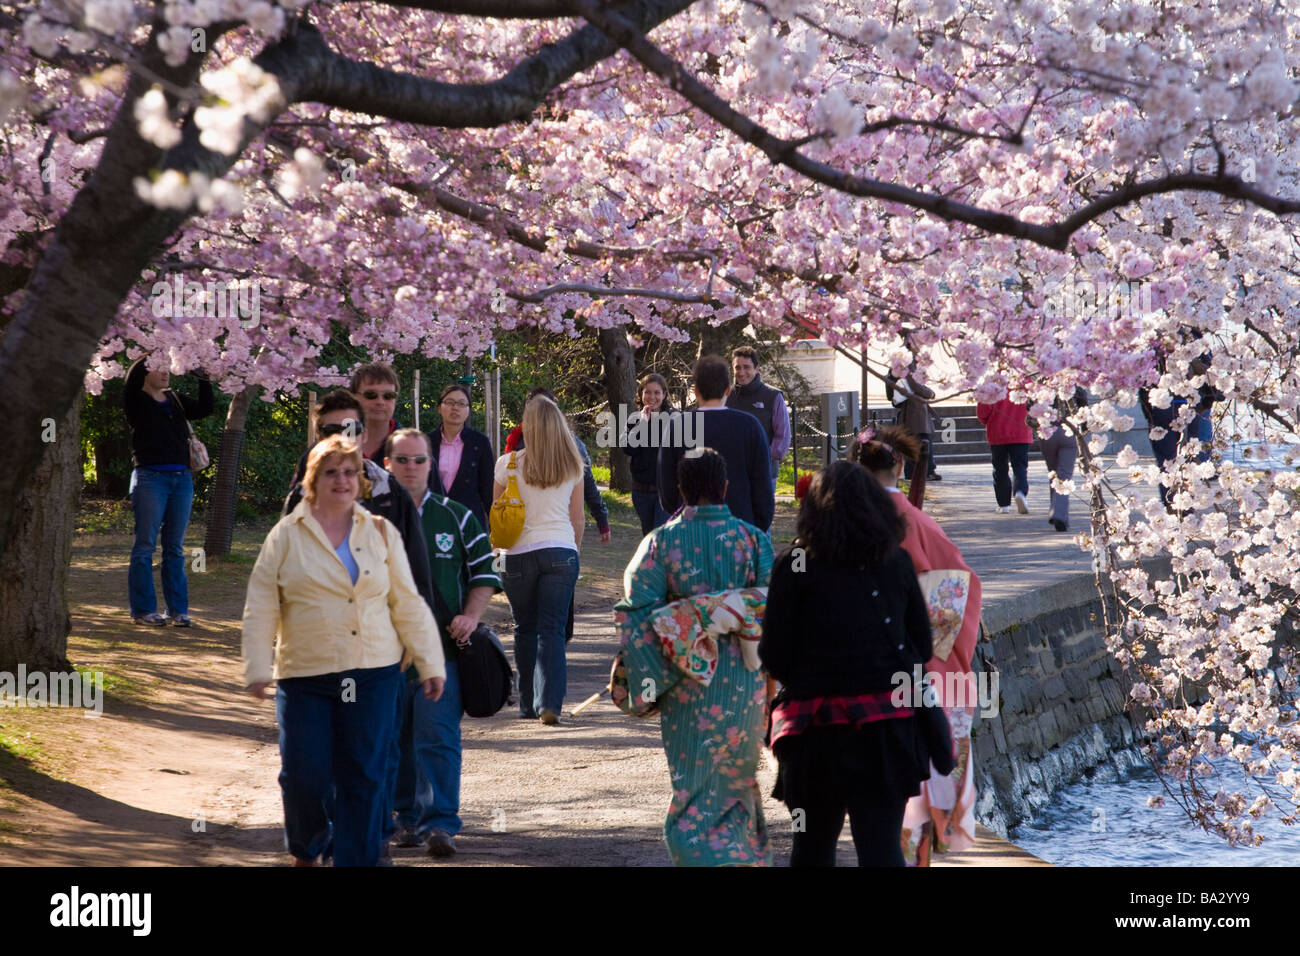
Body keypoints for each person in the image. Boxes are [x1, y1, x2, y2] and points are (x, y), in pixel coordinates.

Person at [241, 435, 446, 867]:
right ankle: (307, 846)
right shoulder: (286, 536)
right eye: (331, 472)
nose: (342, 480)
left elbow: (406, 600)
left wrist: (429, 661)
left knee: (364, 776)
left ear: (362, 481)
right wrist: (258, 667)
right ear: (312, 481)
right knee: (304, 776)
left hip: (371, 673)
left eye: (351, 472)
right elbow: (262, 604)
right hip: (305, 676)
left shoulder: (380, 532)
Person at [759, 461, 934, 867]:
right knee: (882, 849)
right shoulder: (895, 561)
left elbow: (774, 657)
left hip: (812, 733)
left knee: (811, 848)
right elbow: (921, 647)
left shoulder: (794, 564)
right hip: (885, 731)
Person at [612, 448, 773, 865]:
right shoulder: (753, 540)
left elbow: (636, 614)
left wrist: (684, 623)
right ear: (724, 488)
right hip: (744, 681)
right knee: (739, 779)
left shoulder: (659, 543)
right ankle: (743, 858)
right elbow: (780, 609)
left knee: (693, 780)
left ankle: (699, 854)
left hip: (687, 681)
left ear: (679, 490)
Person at [849, 426, 983, 867]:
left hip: (847, 675)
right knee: (914, 790)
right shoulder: (922, 526)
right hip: (914, 672)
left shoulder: (838, 522)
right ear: (900, 467)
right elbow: (962, 591)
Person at [384, 428, 502, 859]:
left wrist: (470, 616)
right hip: (384, 656)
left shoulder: (457, 516)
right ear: (387, 465)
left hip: (443, 653)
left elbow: (486, 574)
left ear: (431, 465)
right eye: (402, 460)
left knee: (436, 737)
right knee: (392, 739)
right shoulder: (369, 521)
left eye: (419, 460)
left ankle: (440, 825)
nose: (411, 468)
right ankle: (404, 819)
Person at [284, 390, 434, 610]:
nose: (342, 437)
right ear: (319, 438)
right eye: (331, 430)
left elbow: (415, 570)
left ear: (364, 435)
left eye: (351, 429)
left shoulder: (391, 493)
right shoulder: (301, 497)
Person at [493, 396, 584, 724]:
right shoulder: (573, 465)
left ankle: (527, 703)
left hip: (517, 555)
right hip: (560, 550)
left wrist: (497, 559)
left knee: (525, 628)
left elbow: (498, 516)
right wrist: (574, 552)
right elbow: (578, 520)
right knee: (552, 630)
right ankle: (550, 703)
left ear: (527, 426)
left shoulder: (507, 464)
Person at [122, 355, 214, 626]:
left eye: (168, 367)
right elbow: (131, 379)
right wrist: (154, 350)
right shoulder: (135, 400)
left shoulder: (175, 399)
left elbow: (206, 408)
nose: (166, 373)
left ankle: (178, 611)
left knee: (174, 548)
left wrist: (203, 377)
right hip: (150, 478)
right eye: (159, 368)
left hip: (181, 479)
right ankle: (143, 610)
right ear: (144, 373)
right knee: (145, 546)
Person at [660, 356, 774, 531]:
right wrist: (757, 526)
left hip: (689, 525)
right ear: (728, 390)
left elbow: (667, 483)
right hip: (740, 525)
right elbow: (762, 485)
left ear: (696, 391)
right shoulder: (750, 426)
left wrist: (676, 510)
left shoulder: (678, 425)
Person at [505, 387, 611, 544]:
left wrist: (602, 520)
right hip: (524, 529)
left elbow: (588, 487)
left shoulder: (573, 445)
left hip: (559, 527)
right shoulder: (516, 443)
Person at [426, 383, 496, 530]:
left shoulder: (480, 443)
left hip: (469, 521)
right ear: (439, 408)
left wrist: (494, 526)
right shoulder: (426, 442)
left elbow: (488, 489)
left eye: (462, 404)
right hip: (433, 519)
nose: (455, 407)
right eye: (449, 402)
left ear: (468, 410)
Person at [726, 346, 791, 490]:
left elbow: (783, 435)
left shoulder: (773, 396)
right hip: (732, 472)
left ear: (757, 368)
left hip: (765, 471)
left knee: (762, 512)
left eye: (746, 367)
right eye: (737, 367)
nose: (741, 372)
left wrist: (765, 456)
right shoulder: (727, 396)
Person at [621, 372, 673, 535]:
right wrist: (643, 423)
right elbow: (629, 449)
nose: (652, 397)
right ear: (641, 394)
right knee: (648, 537)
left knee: (659, 537)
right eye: (647, 392)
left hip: (666, 491)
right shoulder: (634, 420)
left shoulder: (674, 419)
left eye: (657, 392)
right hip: (641, 491)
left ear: (664, 395)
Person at [1039, 388, 1087, 533]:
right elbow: (1083, 411)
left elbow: (1031, 407)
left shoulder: (1043, 385)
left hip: (1048, 431)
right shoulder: (1075, 387)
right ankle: (1059, 513)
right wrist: (1083, 430)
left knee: (1054, 473)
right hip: (1069, 431)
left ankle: (1057, 511)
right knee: (1064, 475)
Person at [975, 397, 1032, 514]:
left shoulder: (990, 384)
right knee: (1020, 467)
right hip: (1021, 430)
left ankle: (1004, 504)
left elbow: (983, 412)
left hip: (997, 431)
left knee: (1000, 468)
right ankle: (1020, 492)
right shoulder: (1027, 383)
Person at [887, 369, 941, 481]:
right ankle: (922, 472)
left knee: (922, 444)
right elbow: (920, 390)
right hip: (914, 417)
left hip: (916, 416)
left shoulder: (907, 377)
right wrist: (930, 393)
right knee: (918, 445)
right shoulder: (907, 377)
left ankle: (925, 471)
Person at [349, 362, 403, 464]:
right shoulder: (331, 445)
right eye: (371, 395)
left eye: (388, 395)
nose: (380, 402)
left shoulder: (413, 451)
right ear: (354, 398)